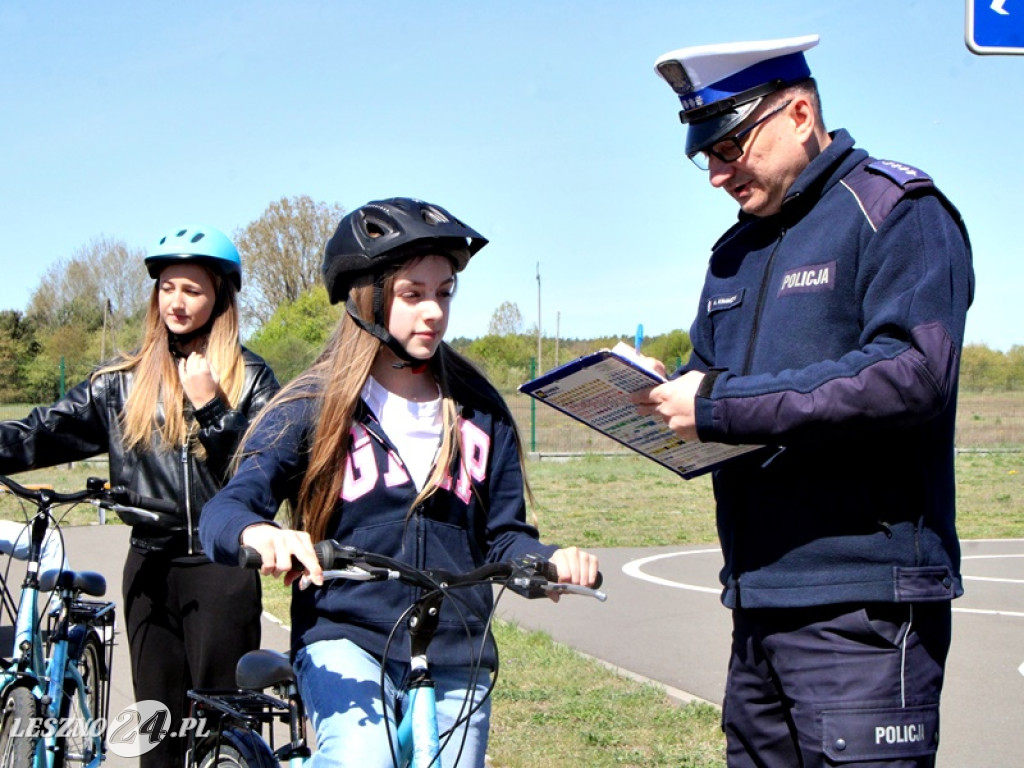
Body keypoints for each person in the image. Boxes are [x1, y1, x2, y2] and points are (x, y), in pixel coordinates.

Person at [635, 35, 974, 767]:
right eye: (706, 156)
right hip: (758, 602)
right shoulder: (733, 252)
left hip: (862, 607)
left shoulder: (895, 210)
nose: (718, 175)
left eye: (731, 147)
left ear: (798, 111)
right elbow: (716, 389)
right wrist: (659, 396)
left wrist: (721, 403)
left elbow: (913, 373)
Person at [200, 197, 600, 768]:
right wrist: (258, 531)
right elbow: (228, 507)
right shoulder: (313, 405)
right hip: (348, 636)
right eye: (413, 294)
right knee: (365, 759)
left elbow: (506, 534)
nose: (433, 311)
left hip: (457, 644)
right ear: (369, 298)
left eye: (444, 292)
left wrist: (548, 560)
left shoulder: (480, 409)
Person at [0, 225, 280, 767]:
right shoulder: (121, 380)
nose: (177, 301)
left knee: (223, 728)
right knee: (156, 730)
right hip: (150, 566)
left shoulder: (250, 378)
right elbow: (40, 431)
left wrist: (213, 409)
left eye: (192, 290)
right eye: (167, 287)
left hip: (221, 570)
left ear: (220, 295)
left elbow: (260, 474)